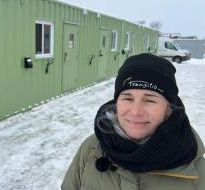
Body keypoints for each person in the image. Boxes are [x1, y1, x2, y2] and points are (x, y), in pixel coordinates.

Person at [61, 53, 205, 190]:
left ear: (169, 109)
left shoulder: (197, 171)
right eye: (127, 98)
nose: (136, 112)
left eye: (149, 100)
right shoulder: (91, 149)